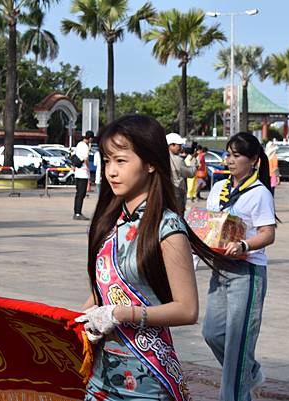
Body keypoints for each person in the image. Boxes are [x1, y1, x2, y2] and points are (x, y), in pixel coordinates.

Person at [75, 114, 232, 401]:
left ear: (149, 163)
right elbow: (101, 293)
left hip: (148, 381)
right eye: (107, 161)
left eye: (121, 161)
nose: (111, 171)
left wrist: (121, 314)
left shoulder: (167, 227)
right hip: (100, 378)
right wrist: (81, 319)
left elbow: (187, 310)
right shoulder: (108, 222)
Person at [203, 132, 276, 401]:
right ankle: (251, 371)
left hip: (247, 272)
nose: (229, 160)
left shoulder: (259, 194)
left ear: (254, 160)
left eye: (236, 155)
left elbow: (268, 233)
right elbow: (209, 225)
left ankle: (235, 393)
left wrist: (245, 245)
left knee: (238, 342)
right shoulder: (217, 188)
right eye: (228, 154)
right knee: (211, 332)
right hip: (220, 268)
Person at [167, 132, 197, 212]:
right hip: (176, 194)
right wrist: (194, 162)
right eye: (179, 145)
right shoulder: (177, 160)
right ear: (171, 145)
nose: (181, 148)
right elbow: (190, 173)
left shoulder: (161, 157)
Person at [73, 130, 94, 220]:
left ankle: (76, 212)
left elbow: (75, 155)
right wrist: (89, 168)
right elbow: (86, 159)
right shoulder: (85, 147)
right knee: (81, 194)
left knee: (78, 193)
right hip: (83, 173)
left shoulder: (79, 144)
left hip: (77, 172)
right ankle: (78, 213)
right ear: (90, 138)